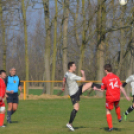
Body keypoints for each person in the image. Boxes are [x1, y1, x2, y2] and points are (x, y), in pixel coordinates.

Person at [62, 62, 98, 131]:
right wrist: (83, 73)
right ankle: (69, 124)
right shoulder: (72, 76)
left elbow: (63, 80)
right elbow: (83, 79)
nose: (75, 67)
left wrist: (63, 87)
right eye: (74, 66)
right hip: (74, 93)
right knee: (76, 108)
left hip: (77, 90)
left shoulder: (66, 73)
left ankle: (102, 87)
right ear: (71, 67)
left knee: (90, 84)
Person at [93, 64, 130, 131]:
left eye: (104, 70)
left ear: (106, 70)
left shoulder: (104, 78)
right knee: (117, 105)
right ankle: (119, 117)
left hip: (110, 97)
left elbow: (102, 90)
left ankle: (110, 127)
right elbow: (121, 87)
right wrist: (126, 96)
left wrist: (96, 89)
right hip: (117, 96)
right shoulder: (116, 77)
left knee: (108, 111)